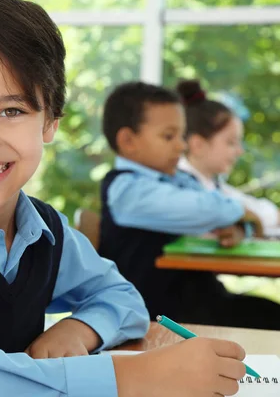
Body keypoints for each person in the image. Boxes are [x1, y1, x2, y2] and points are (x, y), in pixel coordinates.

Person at [0, 0, 249, 397]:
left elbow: (122, 298)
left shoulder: (45, 230)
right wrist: (131, 377)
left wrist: (80, 328)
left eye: (11, 110)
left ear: (50, 120)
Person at [98, 80, 280, 331]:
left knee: (270, 314)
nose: (181, 145)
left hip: (199, 303)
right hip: (155, 316)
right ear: (129, 141)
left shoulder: (177, 181)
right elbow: (208, 208)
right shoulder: (128, 190)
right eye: (169, 136)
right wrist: (241, 213)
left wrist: (240, 228)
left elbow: (219, 211)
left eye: (181, 136)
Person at [177, 79, 279, 231]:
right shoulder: (182, 189)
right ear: (197, 144)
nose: (240, 151)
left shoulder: (213, 184)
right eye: (231, 142)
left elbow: (257, 209)